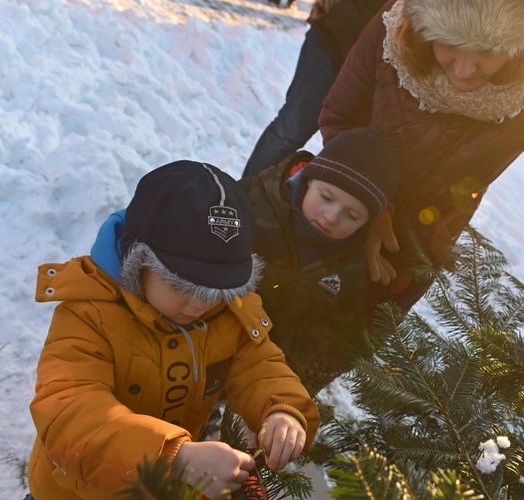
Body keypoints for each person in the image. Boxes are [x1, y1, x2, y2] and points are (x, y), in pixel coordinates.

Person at [319, 0, 524, 416]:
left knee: (328, 354)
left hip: (407, 259)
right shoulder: (396, 30)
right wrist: (364, 205)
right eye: (448, 44)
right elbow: (341, 116)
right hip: (331, 216)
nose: (463, 70)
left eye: (488, 52)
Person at [27, 160, 320, 499]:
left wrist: (281, 409)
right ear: (139, 261)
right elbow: (69, 410)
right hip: (80, 490)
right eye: (182, 285)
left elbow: (260, 365)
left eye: (216, 289)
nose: (200, 304)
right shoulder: (88, 313)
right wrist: (175, 457)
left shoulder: (228, 310)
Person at [239, 127, 400, 396]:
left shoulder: (350, 269)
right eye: (326, 198)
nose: (331, 217)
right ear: (307, 180)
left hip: (255, 379)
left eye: (352, 215)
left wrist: (282, 377)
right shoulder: (250, 204)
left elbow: (322, 335)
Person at [243, 0, 386, 177]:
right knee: (290, 131)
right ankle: (243, 196)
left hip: (378, 67)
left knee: (350, 155)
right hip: (334, 38)